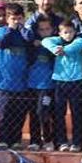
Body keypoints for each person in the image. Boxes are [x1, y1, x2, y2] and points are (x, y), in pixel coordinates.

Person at [43, 19, 82, 152]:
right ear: (60, 33)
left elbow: (76, 46)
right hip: (59, 81)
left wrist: (64, 49)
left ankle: (76, 142)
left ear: (75, 32)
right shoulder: (57, 41)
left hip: (76, 81)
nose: (68, 35)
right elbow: (46, 41)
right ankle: (62, 141)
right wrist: (54, 49)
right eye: (65, 32)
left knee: (77, 113)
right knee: (59, 113)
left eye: (71, 32)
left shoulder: (79, 41)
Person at [0, 2, 30, 149]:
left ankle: (15, 140)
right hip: (4, 83)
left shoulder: (24, 32)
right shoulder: (2, 31)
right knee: (4, 113)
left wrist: (22, 28)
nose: (16, 21)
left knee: (19, 113)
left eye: (19, 18)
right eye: (13, 18)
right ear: (7, 19)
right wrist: (10, 29)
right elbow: (0, 43)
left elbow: (29, 40)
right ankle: (2, 140)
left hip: (22, 82)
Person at [27, 15, 57, 152]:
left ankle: (48, 139)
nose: (44, 32)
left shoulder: (54, 45)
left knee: (43, 112)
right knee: (33, 112)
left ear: (52, 30)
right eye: (41, 29)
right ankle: (34, 140)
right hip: (32, 85)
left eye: (47, 29)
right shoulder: (33, 45)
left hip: (47, 85)